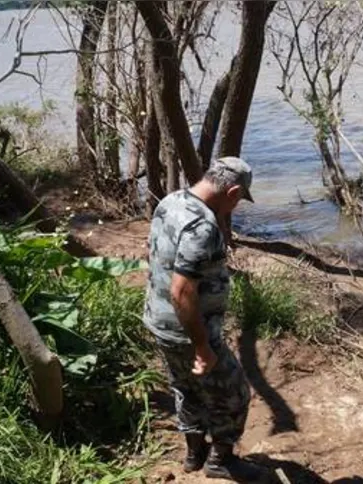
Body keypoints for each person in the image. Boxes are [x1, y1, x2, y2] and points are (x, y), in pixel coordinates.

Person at [143, 156, 263, 480]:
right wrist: (201, 346)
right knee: (234, 393)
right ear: (233, 191)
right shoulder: (203, 226)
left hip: (159, 320)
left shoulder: (170, 202)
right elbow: (182, 292)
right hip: (188, 330)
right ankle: (220, 460)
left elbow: (158, 256)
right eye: (238, 199)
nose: (236, 206)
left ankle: (194, 453)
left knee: (185, 386)